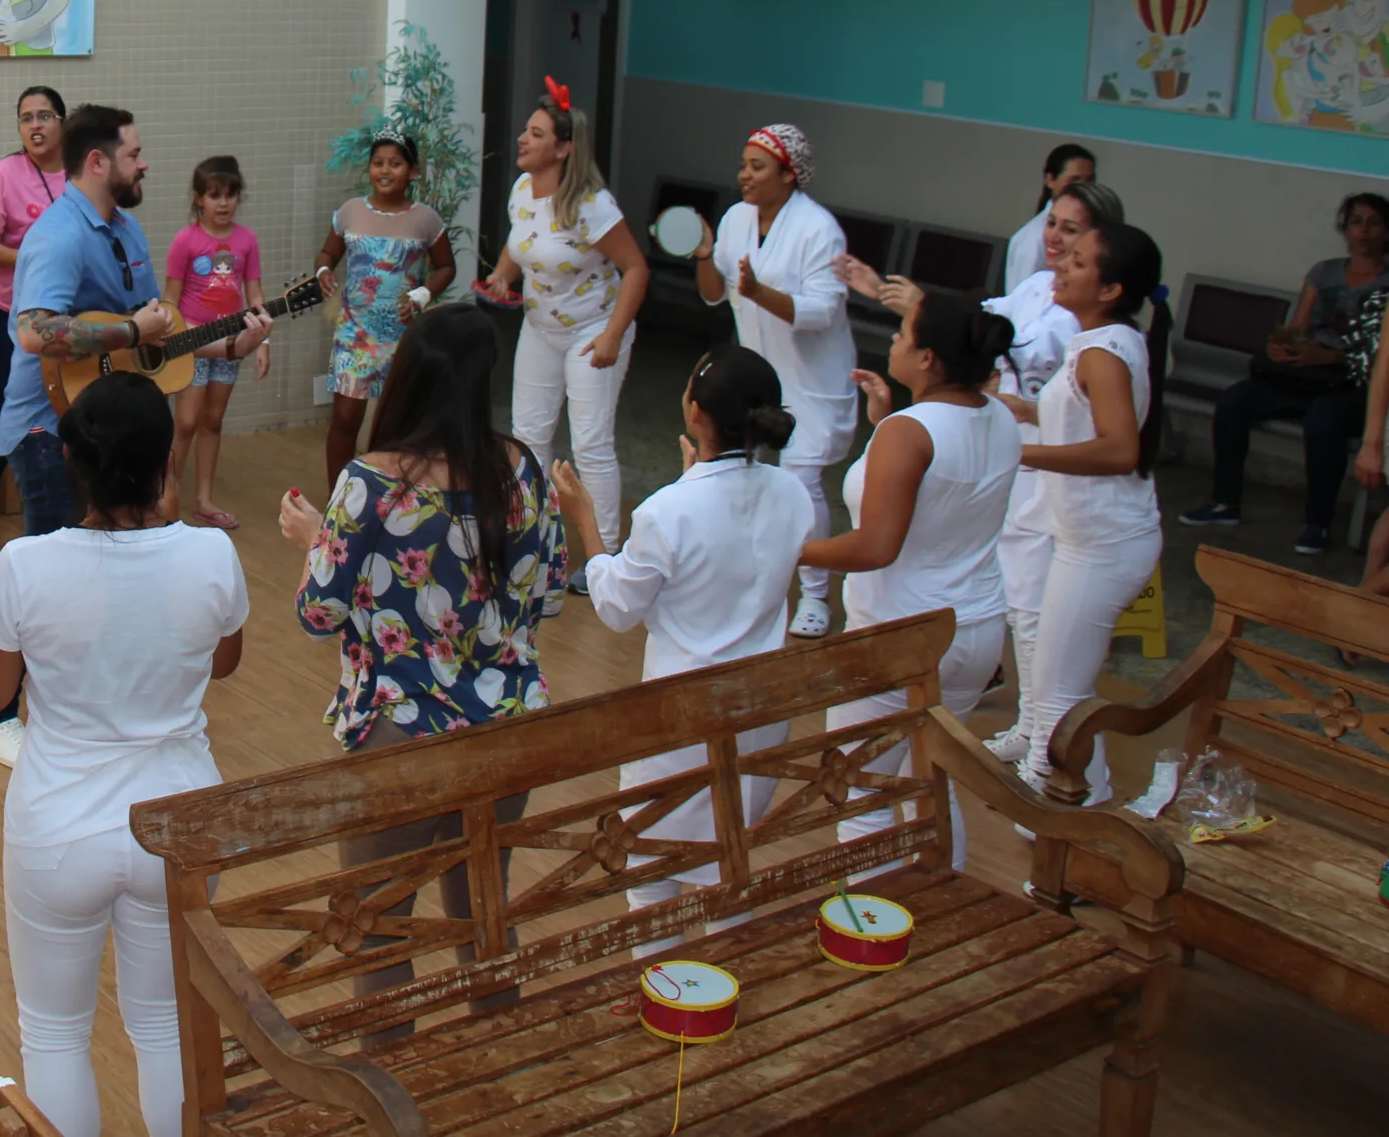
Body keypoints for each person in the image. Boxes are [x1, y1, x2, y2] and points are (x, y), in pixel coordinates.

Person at [0, 373, 248, 1137]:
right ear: (163, 462)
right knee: (162, 1025)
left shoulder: (23, 564)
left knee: (54, 1031)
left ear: (71, 460)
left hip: (60, 827)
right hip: (179, 822)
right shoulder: (211, 553)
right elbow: (223, 660)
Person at [279, 304, 560, 1019]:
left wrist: (319, 539)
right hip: (508, 726)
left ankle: (397, 1099)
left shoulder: (369, 482)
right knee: (483, 912)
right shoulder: (522, 468)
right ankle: (495, 1072)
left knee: (381, 922)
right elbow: (549, 594)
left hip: (401, 729)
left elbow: (319, 611)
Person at [0, 104, 270, 767]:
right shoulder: (59, 235)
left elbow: (162, 335)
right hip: (51, 427)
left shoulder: (129, 229)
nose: (145, 163)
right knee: (50, 585)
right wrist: (126, 332)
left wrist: (230, 343)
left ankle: (98, 712)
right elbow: (35, 329)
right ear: (98, 161)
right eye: (134, 153)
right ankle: (0, 711)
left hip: (117, 421)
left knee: (110, 584)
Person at [845, 180, 1125, 760]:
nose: (1056, 244)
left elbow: (876, 543)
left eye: (1073, 238)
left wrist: (791, 550)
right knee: (1017, 600)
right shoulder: (1031, 303)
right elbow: (976, 328)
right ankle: (1038, 734)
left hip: (921, 617)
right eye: (1053, 225)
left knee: (1039, 616)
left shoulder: (1097, 344)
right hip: (976, 593)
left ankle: (1053, 759)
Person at [552, 345, 803, 957]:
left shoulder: (667, 510)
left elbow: (616, 607)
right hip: (759, 708)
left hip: (682, 713)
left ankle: (663, 993)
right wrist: (695, 473)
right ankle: (719, 984)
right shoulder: (794, 493)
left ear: (695, 413)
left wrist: (585, 519)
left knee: (653, 867)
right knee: (726, 858)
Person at [802, 292, 1020, 869]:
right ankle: (939, 904)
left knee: (860, 790)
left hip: (900, 636)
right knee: (932, 785)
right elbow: (947, 484)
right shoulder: (996, 415)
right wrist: (887, 424)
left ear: (928, 359)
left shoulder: (910, 431)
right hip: (974, 630)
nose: (894, 341)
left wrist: (786, 552)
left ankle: (875, 936)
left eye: (904, 334)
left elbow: (876, 546)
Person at [1005, 223, 1169, 805]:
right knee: (1057, 688)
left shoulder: (1103, 351)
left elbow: (1119, 448)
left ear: (1110, 288)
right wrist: (1022, 410)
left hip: (1104, 545)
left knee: (1060, 695)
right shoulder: (1103, 341)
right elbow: (1080, 420)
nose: (1061, 266)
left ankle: (1057, 812)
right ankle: (1077, 801)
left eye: (1077, 260)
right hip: (1087, 540)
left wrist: (1016, 453)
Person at [476, 82, 647, 598]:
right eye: (526, 131)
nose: (523, 139)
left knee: (590, 444)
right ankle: (537, 544)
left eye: (536, 133)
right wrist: (504, 275)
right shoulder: (522, 192)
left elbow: (636, 268)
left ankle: (606, 554)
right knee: (527, 435)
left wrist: (614, 335)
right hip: (541, 327)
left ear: (564, 148)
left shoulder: (593, 206)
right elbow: (517, 244)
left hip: (595, 329)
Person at [693, 122, 856, 639]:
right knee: (746, 471)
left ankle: (814, 596)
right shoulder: (736, 218)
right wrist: (702, 252)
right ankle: (747, 576)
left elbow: (821, 312)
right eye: (742, 164)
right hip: (757, 373)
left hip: (812, 380)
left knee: (803, 482)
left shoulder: (819, 229)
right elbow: (714, 293)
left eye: (757, 166)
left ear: (789, 175)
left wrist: (759, 292)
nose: (744, 175)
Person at [1180, 191, 1389, 554]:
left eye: (1374, 223)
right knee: (1234, 403)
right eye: (1357, 221)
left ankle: (1318, 524)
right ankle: (1225, 503)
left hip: (1352, 384)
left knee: (1322, 425)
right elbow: (1298, 326)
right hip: (1305, 375)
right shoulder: (1324, 272)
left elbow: (1379, 356)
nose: (1364, 231)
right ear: (1345, 228)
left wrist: (1331, 357)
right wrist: (1284, 346)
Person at [314, 131, 455, 491]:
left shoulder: (426, 219)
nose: (385, 170)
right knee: (345, 417)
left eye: (395, 163)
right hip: (354, 332)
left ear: (413, 170)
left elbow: (446, 267)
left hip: (403, 334)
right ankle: (339, 498)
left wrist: (424, 294)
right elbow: (328, 253)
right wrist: (323, 270)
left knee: (397, 422)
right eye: (378, 163)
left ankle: (391, 496)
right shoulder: (350, 212)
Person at [0, 87, 69, 524]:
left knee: (65, 409)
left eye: (45, 116)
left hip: (62, 319)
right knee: (8, 409)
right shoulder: (1, 175)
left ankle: (63, 507)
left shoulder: (81, 175)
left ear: (63, 123)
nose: (35, 126)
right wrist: (37, 260)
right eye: (26, 118)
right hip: (1, 314)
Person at [162, 155, 269, 530]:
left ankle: (204, 501)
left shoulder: (246, 240)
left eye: (230, 195)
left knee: (213, 420)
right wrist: (171, 344)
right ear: (198, 199)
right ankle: (165, 498)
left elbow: (254, 292)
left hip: (232, 340)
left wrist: (262, 342)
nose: (223, 203)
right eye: (214, 195)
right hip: (193, 342)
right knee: (187, 421)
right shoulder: (185, 240)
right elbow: (170, 298)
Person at [1002, 144, 1097, 292]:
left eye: (1089, 181)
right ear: (1051, 180)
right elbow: (1024, 299)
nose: (1083, 189)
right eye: (1074, 181)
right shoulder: (1032, 238)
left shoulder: (1093, 231)